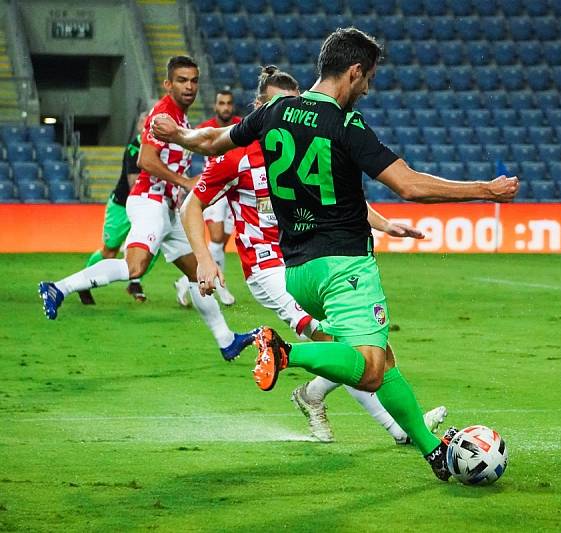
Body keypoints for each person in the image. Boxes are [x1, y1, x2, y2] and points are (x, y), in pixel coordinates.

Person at [152, 29, 518, 481]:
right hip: (345, 266)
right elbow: (410, 185)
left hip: (298, 272)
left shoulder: (274, 112)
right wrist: (485, 190)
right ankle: (285, 353)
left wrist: (179, 134)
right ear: (354, 71)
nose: (367, 89)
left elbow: (211, 143)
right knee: (367, 369)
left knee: (384, 359)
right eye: (368, 80)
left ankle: (432, 453)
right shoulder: (347, 124)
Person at [180, 65, 446, 444]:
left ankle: (315, 396)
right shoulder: (236, 155)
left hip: (308, 258)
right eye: (275, 105)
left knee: (367, 346)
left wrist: (384, 225)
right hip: (268, 268)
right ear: (260, 107)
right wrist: (205, 259)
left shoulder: (304, 137)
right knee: (340, 347)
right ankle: (400, 430)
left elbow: (337, 200)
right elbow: (192, 204)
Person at [38, 56, 257, 361]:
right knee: (134, 267)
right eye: (182, 80)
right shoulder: (163, 114)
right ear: (168, 84)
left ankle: (227, 340)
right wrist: (184, 181)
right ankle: (58, 288)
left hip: (168, 209)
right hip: (149, 201)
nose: (189, 86)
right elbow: (145, 160)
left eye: (194, 80)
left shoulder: (180, 117)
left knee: (198, 274)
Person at [77, 112, 159, 305]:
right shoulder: (134, 148)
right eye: (145, 123)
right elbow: (133, 184)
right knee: (110, 251)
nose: (148, 127)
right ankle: (83, 282)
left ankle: (135, 282)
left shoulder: (159, 148)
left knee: (151, 247)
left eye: (152, 123)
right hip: (122, 206)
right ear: (140, 126)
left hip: (146, 206)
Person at [175, 89, 241, 307]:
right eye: (221, 103)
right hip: (214, 190)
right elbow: (184, 152)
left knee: (221, 242)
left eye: (228, 103)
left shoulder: (242, 126)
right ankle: (218, 286)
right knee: (216, 237)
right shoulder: (206, 128)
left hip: (236, 190)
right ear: (215, 106)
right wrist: (185, 179)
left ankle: (186, 281)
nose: (225, 107)